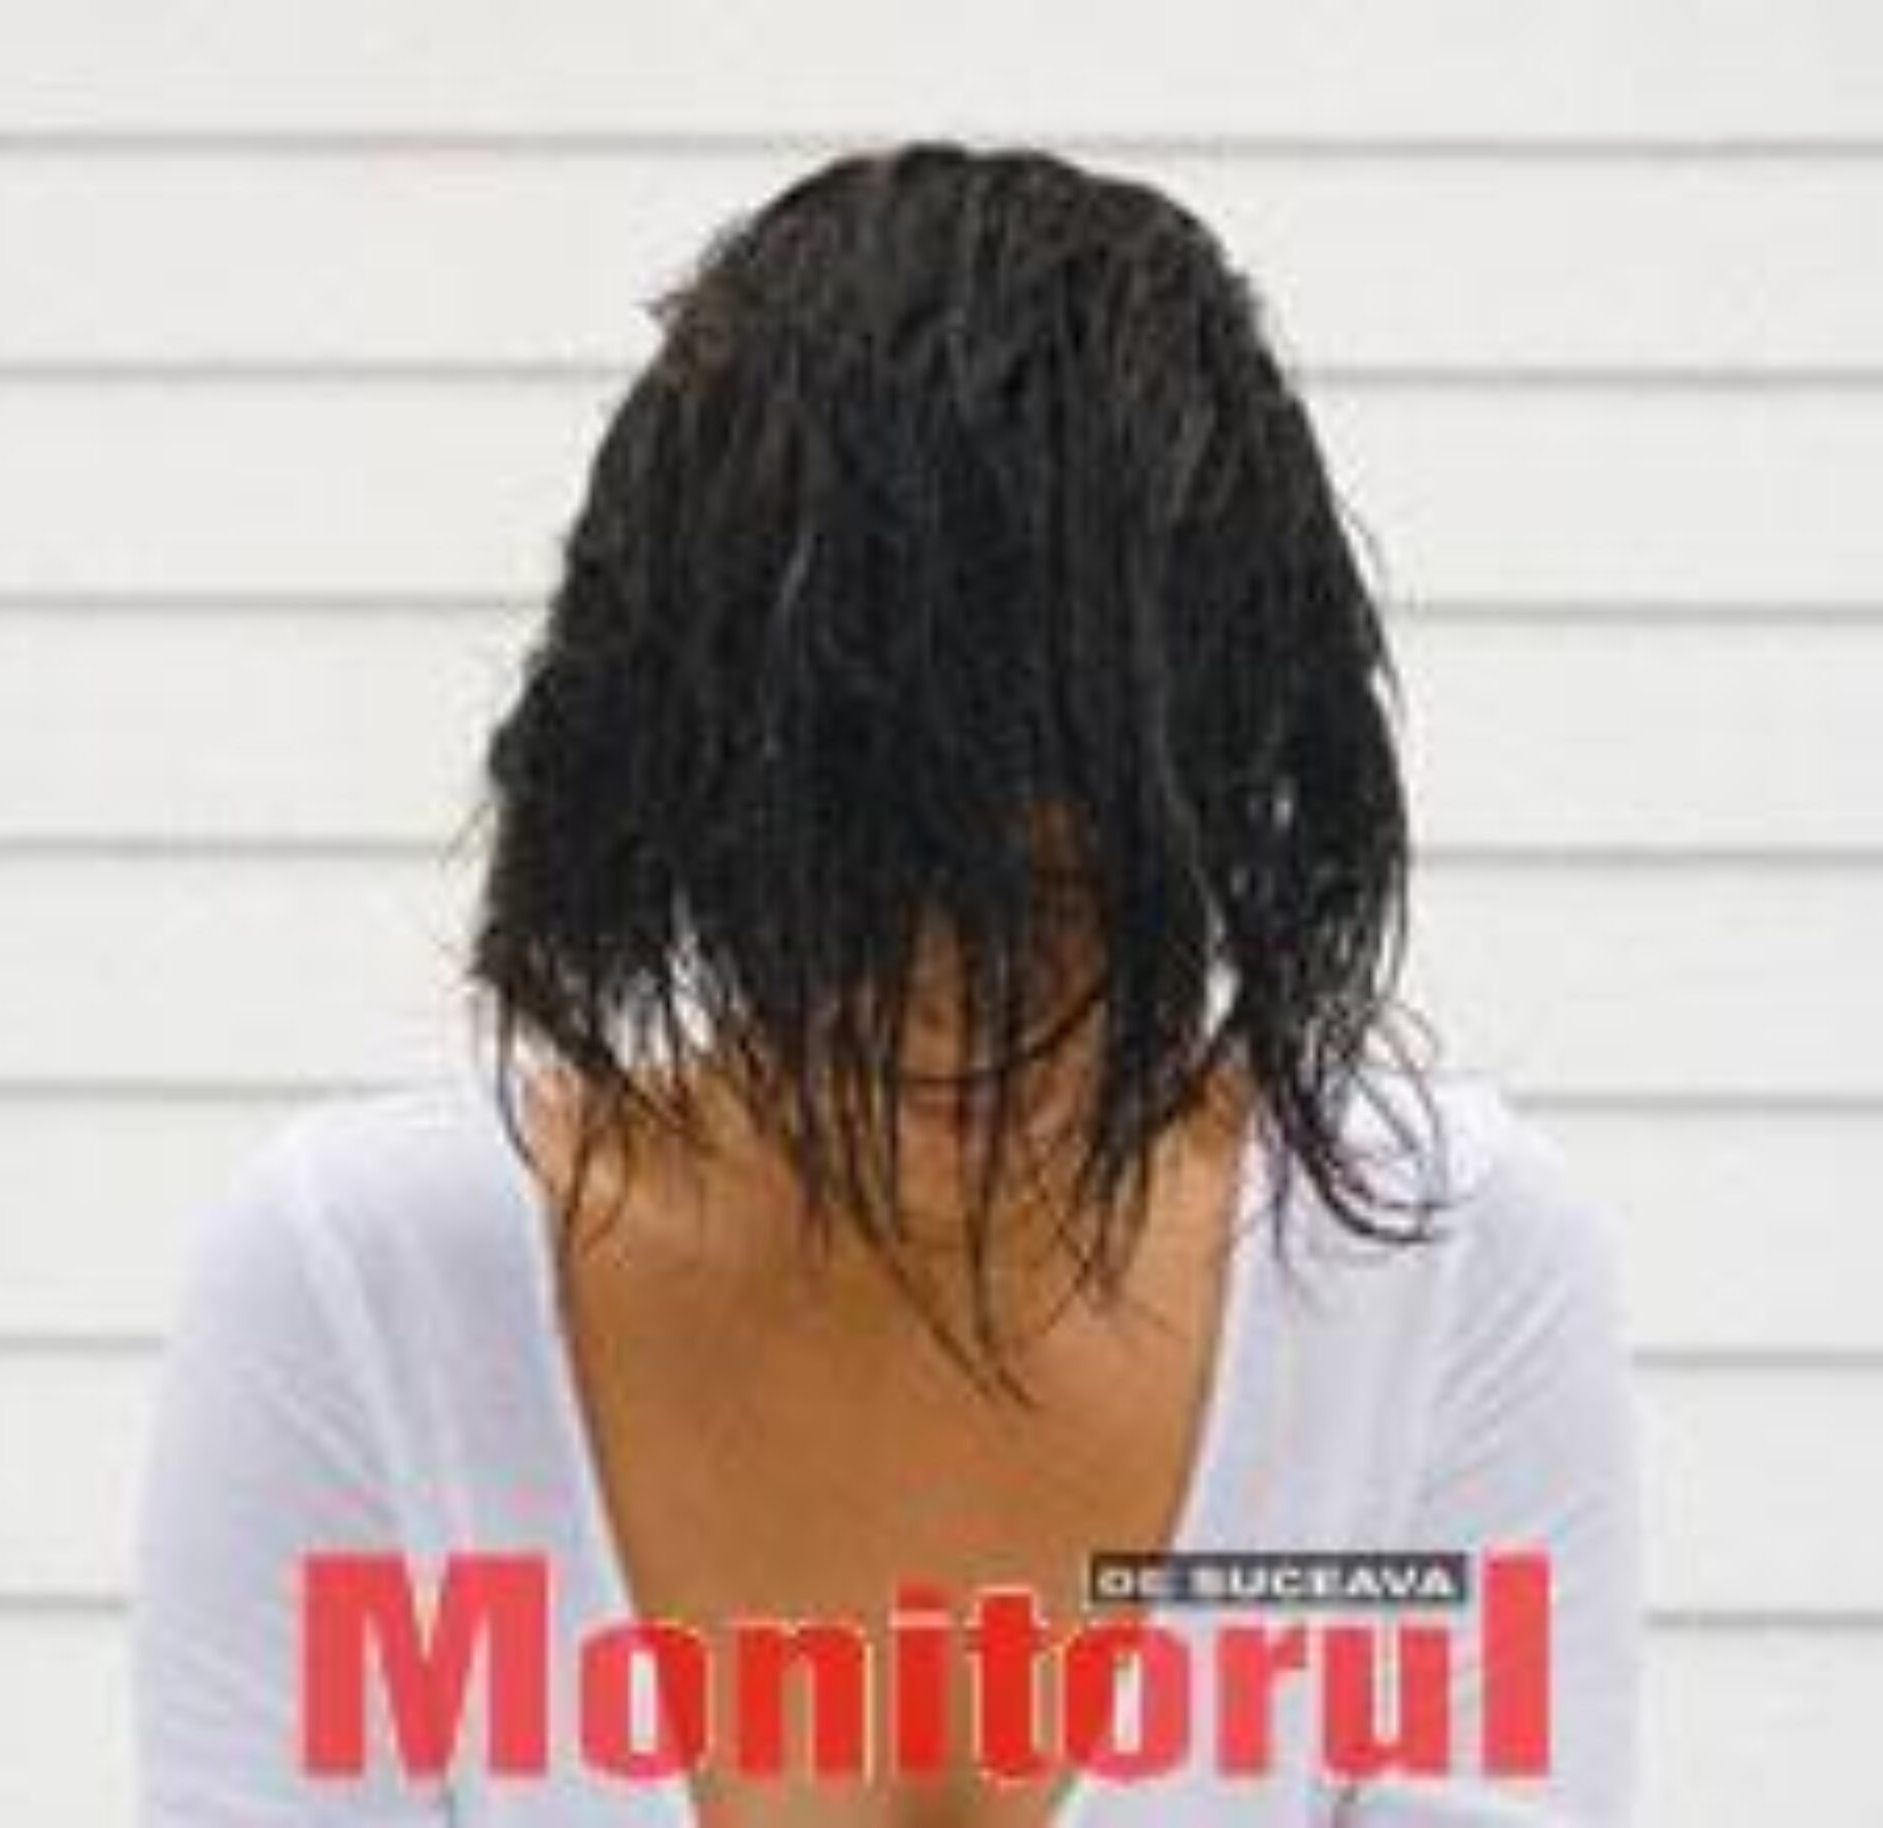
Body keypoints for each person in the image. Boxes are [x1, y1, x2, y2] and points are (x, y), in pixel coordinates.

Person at [131, 140, 1640, 1825]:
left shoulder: (1429, 1276)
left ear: (1216, 815)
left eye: (1067, 898)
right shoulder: (374, 1293)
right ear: (692, 808)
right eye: (863, 887)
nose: (961, 1004)